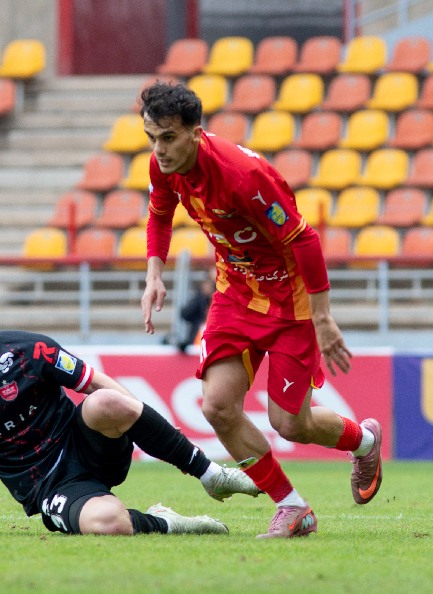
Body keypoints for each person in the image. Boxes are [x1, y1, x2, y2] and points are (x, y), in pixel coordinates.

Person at [138, 82, 383, 539]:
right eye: (152, 138)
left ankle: (364, 441)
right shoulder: (163, 165)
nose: (159, 149)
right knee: (217, 406)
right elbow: (160, 214)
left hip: (290, 301)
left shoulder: (243, 177)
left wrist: (323, 318)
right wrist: (155, 274)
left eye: (168, 137)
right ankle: (292, 507)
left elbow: (304, 240)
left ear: (195, 133)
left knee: (290, 424)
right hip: (234, 294)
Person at [0, 294, 262, 536]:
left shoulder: (27, 349)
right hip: (48, 487)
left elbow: (95, 382)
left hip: (88, 445)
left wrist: (142, 422)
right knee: (108, 523)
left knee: (105, 400)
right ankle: (168, 522)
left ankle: (211, 474)